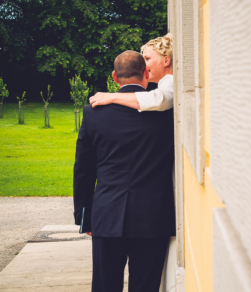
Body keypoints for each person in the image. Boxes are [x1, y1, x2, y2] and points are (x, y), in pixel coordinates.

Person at [73, 50, 175, 292]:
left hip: (107, 216)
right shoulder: (168, 111)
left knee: (105, 286)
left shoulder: (93, 113)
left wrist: (84, 216)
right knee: (145, 286)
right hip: (153, 217)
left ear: (114, 77)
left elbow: (84, 170)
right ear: (146, 74)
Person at [89, 33, 174, 112]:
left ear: (166, 61)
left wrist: (110, 97)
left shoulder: (171, 80)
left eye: (147, 59)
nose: (142, 64)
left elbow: (159, 100)